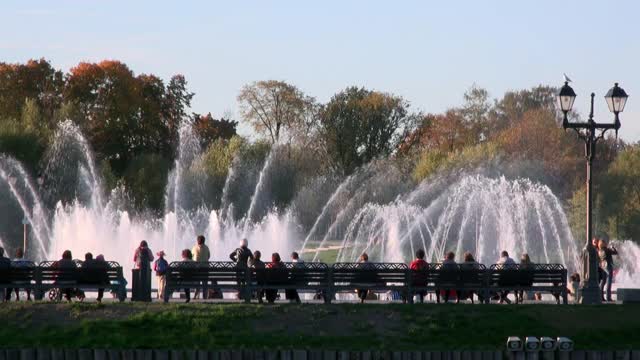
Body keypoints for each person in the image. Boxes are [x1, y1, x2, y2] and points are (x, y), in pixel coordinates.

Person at [191, 235, 210, 299]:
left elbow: (191, 257)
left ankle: (195, 296)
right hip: (205, 269)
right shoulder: (207, 247)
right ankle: (205, 297)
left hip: (197, 269)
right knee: (205, 283)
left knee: (197, 282)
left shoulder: (194, 248)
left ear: (197, 241)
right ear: (204, 241)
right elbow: (208, 256)